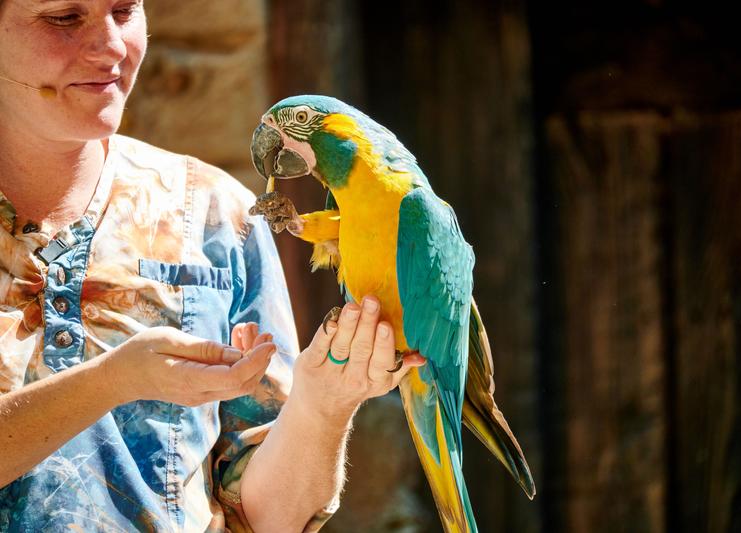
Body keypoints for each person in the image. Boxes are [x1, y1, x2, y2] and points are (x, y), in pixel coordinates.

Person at [0, 1, 425, 531]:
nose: (111, 47)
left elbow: (265, 517)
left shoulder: (214, 213)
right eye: (64, 17)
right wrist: (112, 382)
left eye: (124, 9)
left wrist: (324, 404)